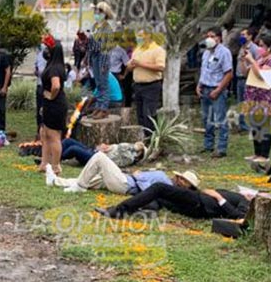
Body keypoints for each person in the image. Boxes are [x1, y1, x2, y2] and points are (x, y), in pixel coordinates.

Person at [96, 172, 249, 221]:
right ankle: (151, 209)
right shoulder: (238, 195)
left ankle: (119, 210)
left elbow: (239, 217)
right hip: (197, 204)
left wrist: (218, 197)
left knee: (158, 188)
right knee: (159, 197)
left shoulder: (244, 201)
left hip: (200, 204)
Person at [239, 31, 271, 166]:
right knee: (255, 125)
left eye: (261, 45)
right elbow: (245, 72)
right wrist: (243, 60)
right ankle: (257, 153)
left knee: (264, 126)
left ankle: (264, 155)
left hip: (266, 98)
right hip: (254, 96)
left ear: (269, 47)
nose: (259, 48)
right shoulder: (259, 59)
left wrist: (252, 61)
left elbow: (261, 75)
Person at [45, 151, 172, 195]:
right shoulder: (164, 176)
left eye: (183, 180)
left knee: (100, 157)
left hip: (126, 184)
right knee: (88, 178)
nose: (178, 177)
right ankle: (55, 181)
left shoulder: (166, 182)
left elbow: (150, 191)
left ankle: (80, 187)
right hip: (124, 178)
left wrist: (138, 177)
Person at [197, 27, 233, 158]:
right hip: (205, 88)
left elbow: (228, 74)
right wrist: (199, 85)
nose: (209, 39)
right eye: (208, 36)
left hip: (217, 89)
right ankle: (208, 145)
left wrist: (218, 90)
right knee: (207, 118)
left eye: (212, 36)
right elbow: (204, 70)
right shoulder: (206, 52)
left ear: (219, 38)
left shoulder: (224, 52)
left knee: (220, 119)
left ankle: (221, 148)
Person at [128, 27, 167, 137]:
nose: (139, 38)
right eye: (138, 36)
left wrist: (140, 64)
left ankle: (152, 138)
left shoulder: (158, 50)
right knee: (140, 114)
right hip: (137, 85)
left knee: (149, 114)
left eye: (141, 36)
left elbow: (161, 67)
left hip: (151, 86)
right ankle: (143, 138)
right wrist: (131, 66)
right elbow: (130, 66)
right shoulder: (138, 49)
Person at [37, 36, 67, 175]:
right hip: (49, 104)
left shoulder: (55, 68)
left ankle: (56, 166)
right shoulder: (53, 65)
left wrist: (50, 96)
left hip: (55, 104)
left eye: (48, 48)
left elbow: (56, 86)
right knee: (44, 133)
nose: (46, 51)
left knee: (54, 136)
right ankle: (44, 163)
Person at [87, 1, 118, 120]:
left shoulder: (107, 29)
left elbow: (106, 48)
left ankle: (104, 109)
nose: (96, 14)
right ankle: (98, 107)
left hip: (102, 57)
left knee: (104, 84)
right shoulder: (95, 26)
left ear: (105, 14)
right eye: (95, 11)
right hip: (95, 56)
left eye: (99, 12)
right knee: (98, 83)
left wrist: (104, 63)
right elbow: (92, 45)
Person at [59, 138, 146, 168]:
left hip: (95, 158)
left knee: (74, 149)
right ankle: (51, 152)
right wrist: (104, 147)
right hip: (94, 151)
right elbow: (115, 147)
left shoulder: (129, 158)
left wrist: (133, 148)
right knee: (68, 141)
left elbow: (121, 149)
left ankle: (57, 158)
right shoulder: (128, 149)